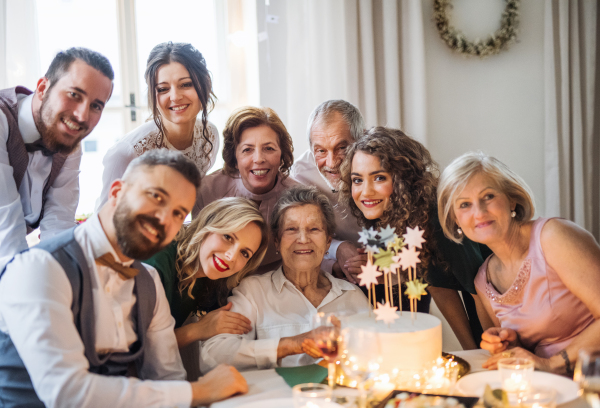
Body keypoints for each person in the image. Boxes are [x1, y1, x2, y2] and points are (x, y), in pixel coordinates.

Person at [0, 150, 247, 407]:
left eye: (178, 213)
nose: (164, 219)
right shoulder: (40, 267)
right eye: (156, 196)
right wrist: (199, 391)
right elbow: (67, 392)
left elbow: (168, 376)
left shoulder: (149, 281)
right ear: (116, 192)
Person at [437, 152, 600, 374]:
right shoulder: (483, 281)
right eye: (464, 204)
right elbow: (523, 357)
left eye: (488, 196)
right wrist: (510, 345)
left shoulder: (553, 236)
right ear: (455, 219)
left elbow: (544, 364)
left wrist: (550, 364)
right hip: (545, 387)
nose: (479, 212)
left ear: (511, 198)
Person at [339, 127, 492, 349]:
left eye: (379, 178)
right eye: (357, 180)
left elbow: (481, 292)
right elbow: (439, 287)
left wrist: (488, 354)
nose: (366, 191)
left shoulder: (438, 218)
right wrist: (470, 350)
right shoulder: (393, 218)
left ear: (403, 180)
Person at [200, 186, 370, 372]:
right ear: (277, 241)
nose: (303, 239)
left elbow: (376, 356)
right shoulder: (253, 292)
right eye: (291, 229)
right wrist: (287, 345)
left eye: (313, 229)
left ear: (328, 241)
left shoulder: (353, 296)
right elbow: (212, 356)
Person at [0, 47, 114, 270]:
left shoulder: (69, 142)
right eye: (74, 95)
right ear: (43, 88)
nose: (82, 116)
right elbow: (6, 232)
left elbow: (58, 224)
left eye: (95, 106)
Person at [97, 42, 219, 210]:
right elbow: (104, 218)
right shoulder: (127, 152)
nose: (175, 97)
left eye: (185, 84)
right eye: (163, 89)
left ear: (207, 84)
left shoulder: (209, 136)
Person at [144, 197, 269, 348]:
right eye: (228, 237)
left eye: (244, 253)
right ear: (207, 225)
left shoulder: (210, 279)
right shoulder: (157, 260)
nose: (231, 256)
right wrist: (196, 330)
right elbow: (134, 350)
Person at [196, 106, 297, 273]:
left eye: (269, 148)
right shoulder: (207, 190)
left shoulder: (299, 198)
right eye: (247, 150)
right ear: (234, 158)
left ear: (282, 155)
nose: (258, 159)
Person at [290, 100, 365, 279]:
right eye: (321, 151)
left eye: (341, 148)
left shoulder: (385, 164)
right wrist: (338, 249)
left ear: (361, 139)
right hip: (340, 277)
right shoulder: (300, 175)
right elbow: (301, 236)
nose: (331, 163)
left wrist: (381, 260)